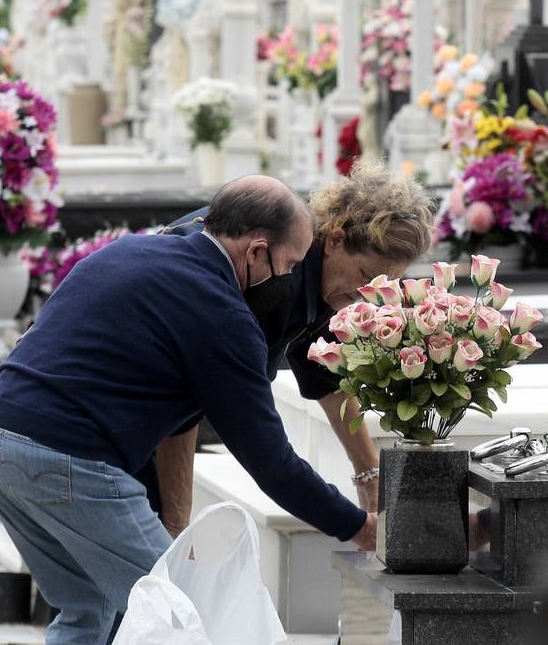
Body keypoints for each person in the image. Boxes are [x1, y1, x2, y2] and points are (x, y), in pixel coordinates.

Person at [0, 176, 374, 645]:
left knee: (87, 608)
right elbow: (270, 461)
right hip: (68, 459)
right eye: (289, 265)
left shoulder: (134, 252)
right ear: (256, 253)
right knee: (185, 617)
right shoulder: (222, 313)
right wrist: (356, 525)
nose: (290, 280)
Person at [155, 159, 436, 522]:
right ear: (335, 239)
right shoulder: (275, 277)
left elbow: (326, 376)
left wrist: (370, 479)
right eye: (366, 275)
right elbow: (188, 408)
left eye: (382, 285)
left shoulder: (325, 274)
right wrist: (177, 523)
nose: (368, 296)